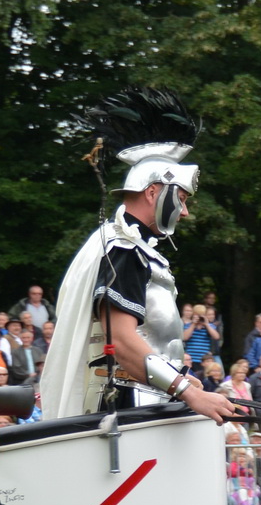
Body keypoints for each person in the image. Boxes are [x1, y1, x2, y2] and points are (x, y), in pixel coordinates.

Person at [40, 88, 239, 424]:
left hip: (149, 398)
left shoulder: (136, 249)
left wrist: (181, 380)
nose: (186, 212)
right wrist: (188, 392)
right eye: (183, 199)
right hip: (129, 406)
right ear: (152, 192)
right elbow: (122, 341)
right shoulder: (123, 249)